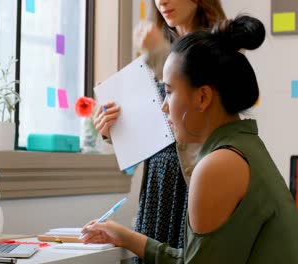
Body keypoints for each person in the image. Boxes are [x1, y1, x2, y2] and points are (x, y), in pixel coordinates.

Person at [83, 16, 298, 263]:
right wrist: (126, 237)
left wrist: (128, 238)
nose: (164, 107)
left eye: (169, 92)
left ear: (202, 97)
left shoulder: (217, 166)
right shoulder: (245, 146)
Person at [93, 1, 227, 259]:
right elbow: (156, 124)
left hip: (197, 176)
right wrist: (112, 128)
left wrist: (160, 54)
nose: (162, 1)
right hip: (158, 179)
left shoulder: (220, 45)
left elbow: (205, 113)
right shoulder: (158, 47)